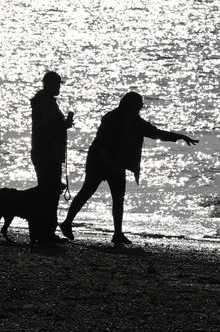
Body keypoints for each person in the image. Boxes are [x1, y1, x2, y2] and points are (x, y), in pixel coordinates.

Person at [59, 91, 198, 245]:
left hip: (118, 164)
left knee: (118, 197)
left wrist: (180, 136)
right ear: (129, 105)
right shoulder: (111, 118)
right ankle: (67, 223)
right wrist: (108, 161)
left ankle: (117, 233)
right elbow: (101, 143)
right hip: (98, 161)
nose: (139, 109)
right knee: (87, 192)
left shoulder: (137, 122)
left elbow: (155, 133)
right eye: (138, 106)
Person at [29, 70, 74, 242]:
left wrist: (62, 126)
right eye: (57, 84)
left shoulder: (42, 101)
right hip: (47, 152)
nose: (59, 88)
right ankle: (46, 231)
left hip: (42, 150)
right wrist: (64, 126)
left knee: (47, 190)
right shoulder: (47, 103)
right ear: (49, 85)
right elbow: (48, 129)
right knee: (50, 192)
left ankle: (45, 230)